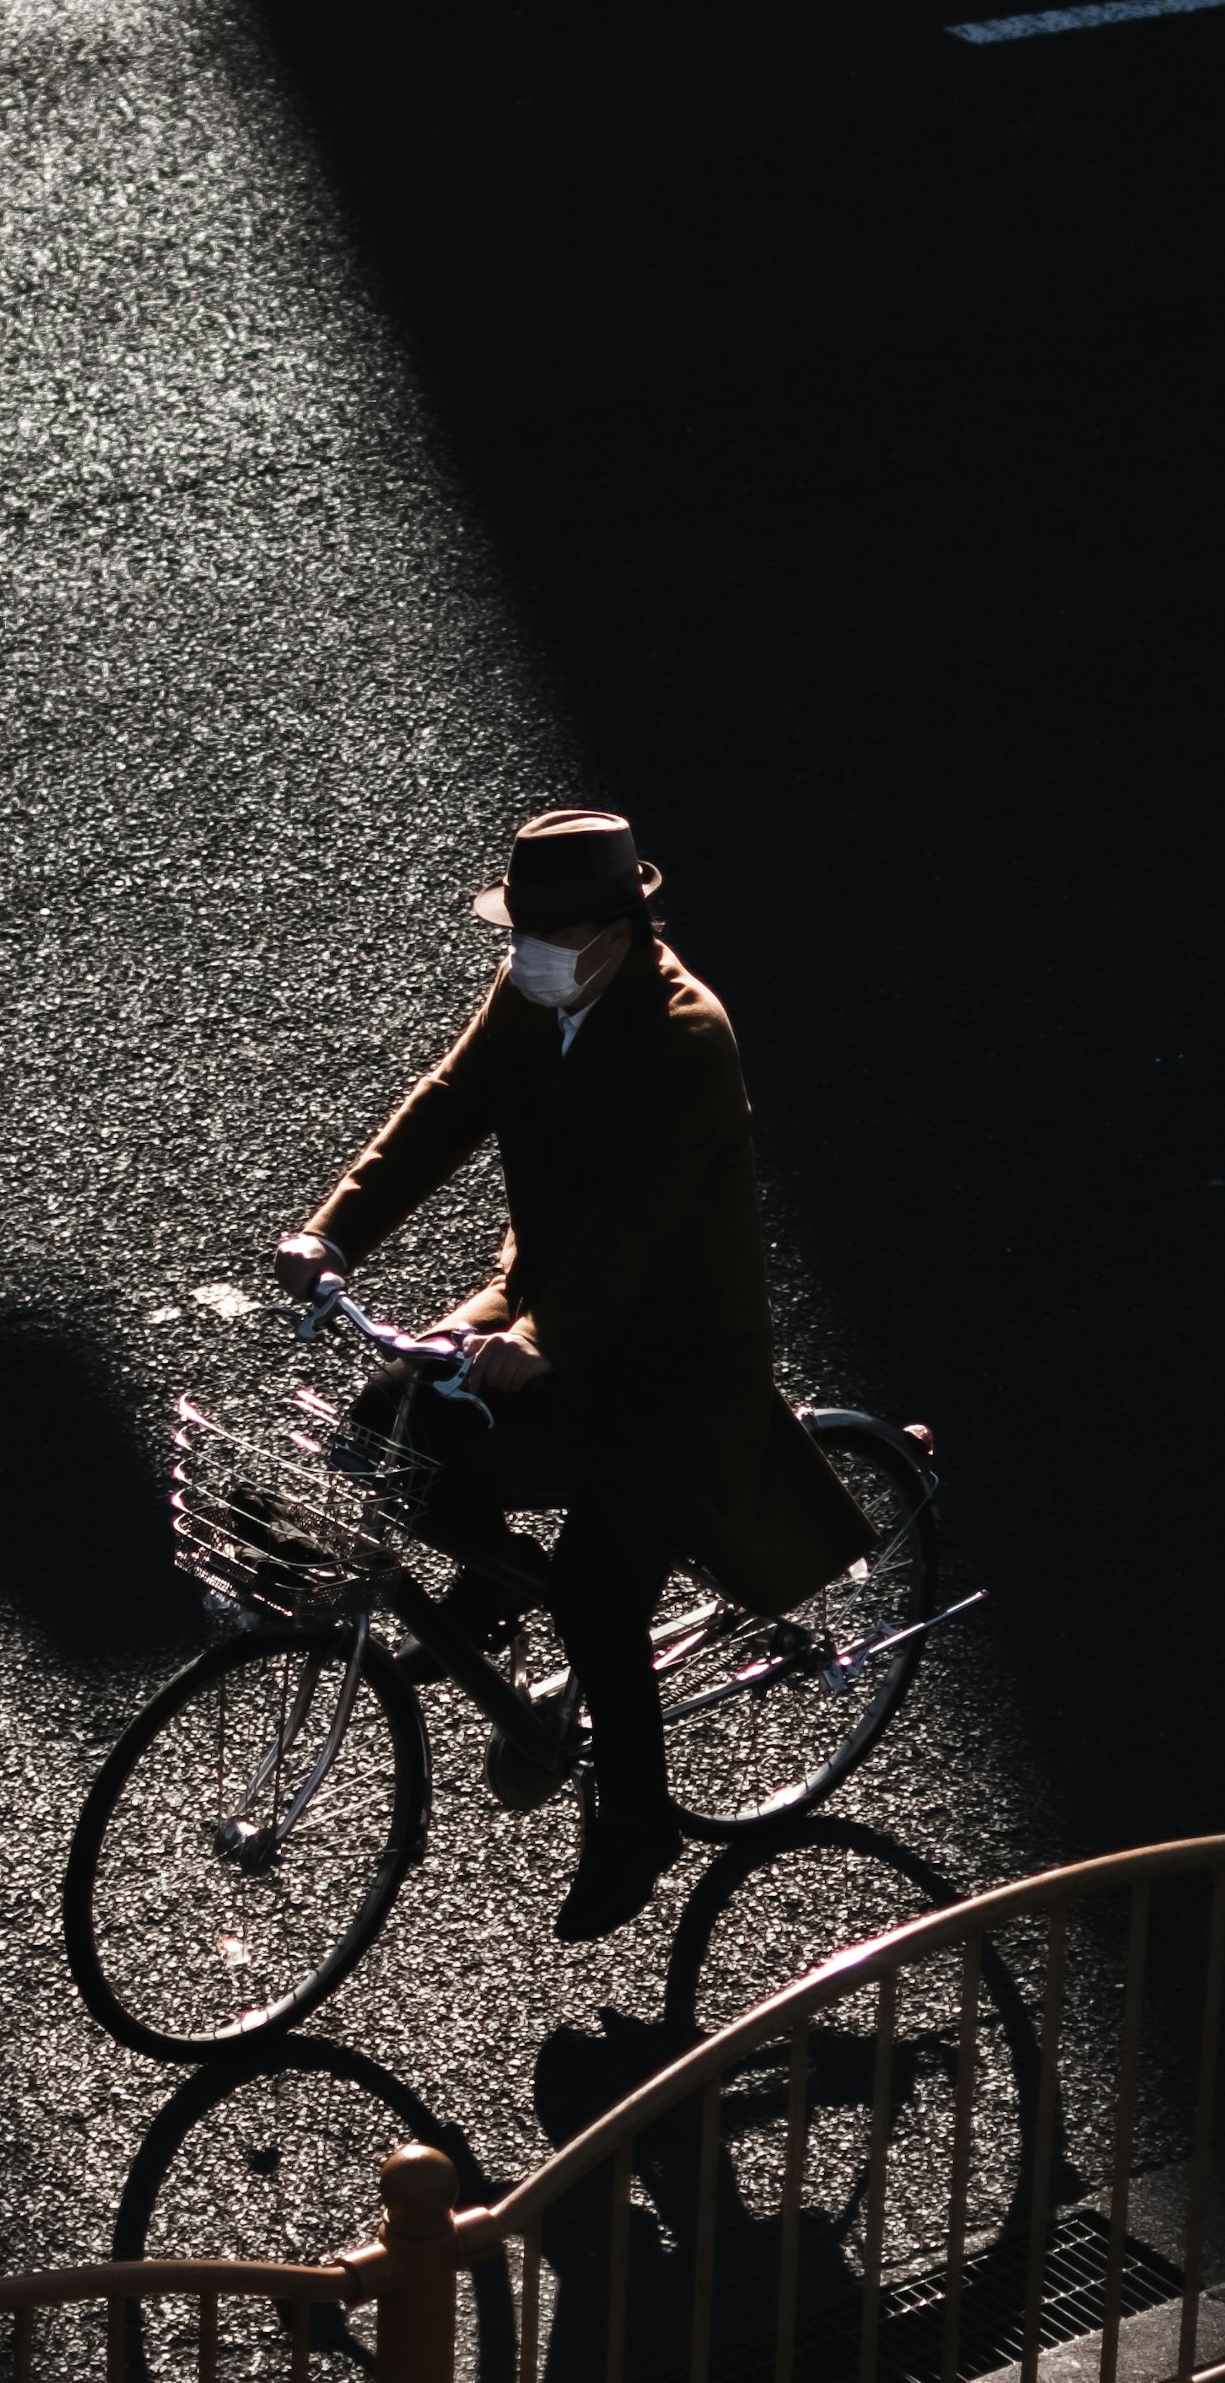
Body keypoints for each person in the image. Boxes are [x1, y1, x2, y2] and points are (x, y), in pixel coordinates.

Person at [272, 808, 867, 1940]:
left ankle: (638, 1826)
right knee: (391, 1415)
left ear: (618, 928)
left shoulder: (686, 1039)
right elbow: (446, 1107)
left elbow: (635, 1231)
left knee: (599, 1598)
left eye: (549, 934)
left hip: (668, 1362)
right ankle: (496, 1587)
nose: (526, 953)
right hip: (549, 1302)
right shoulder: (535, 997)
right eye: (520, 932)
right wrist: (335, 1231)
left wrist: (542, 1340)